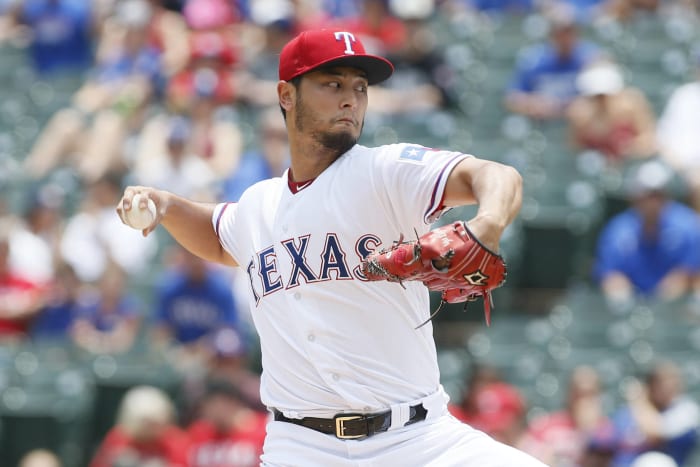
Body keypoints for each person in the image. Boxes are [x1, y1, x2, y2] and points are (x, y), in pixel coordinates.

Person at [117, 28, 546, 465]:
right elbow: (215, 232)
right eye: (333, 84)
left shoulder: (386, 169)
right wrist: (167, 204)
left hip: (419, 442)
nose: (351, 99)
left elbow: (496, 175)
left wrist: (488, 223)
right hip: (302, 447)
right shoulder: (258, 204)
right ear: (287, 94)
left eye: (360, 87)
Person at [594, 160, 700, 304]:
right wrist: (624, 300)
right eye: (648, 195)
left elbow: (690, 273)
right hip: (632, 307)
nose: (653, 202)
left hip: (677, 307)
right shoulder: (618, 230)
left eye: (658, 195)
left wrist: (664, 299)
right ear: (635, 198)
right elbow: (611, 275)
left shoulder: (689, 225)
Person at [505, 5, 599, 120]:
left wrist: (579, 104)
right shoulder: (533, 60)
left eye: (569, 33)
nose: (566, 39)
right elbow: (512, 98)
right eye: (561, 34)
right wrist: (532, 103)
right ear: (552, 35)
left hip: (578, 123)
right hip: (541, 123)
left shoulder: (591, 58)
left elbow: (606, 97)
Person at [606, 361, 699, 466]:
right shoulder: (627, 413)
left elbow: (655, 433)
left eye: (672, 384)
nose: (667, 389)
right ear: (651, 386)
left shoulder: (686, 411)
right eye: (661, 384)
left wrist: (638, 400)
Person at [519, 365, 614, 466]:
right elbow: (523, 455)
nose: (583, 400)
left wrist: (588, 429)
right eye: (579, 393)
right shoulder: (547, 425)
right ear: (569, 393)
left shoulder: (607, 429)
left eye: (590, 394)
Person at [567, 60, 656, 164]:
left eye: (604, 95)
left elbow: (649, 139)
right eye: (597, 96)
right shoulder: (579, 114)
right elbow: (575, 148)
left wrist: (629, 149)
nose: (601, 99)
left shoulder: (632, 105)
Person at [90, 385, 189, 467]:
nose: (148, 429)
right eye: (143, 422)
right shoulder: (118, 438)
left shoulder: (175, 440)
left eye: (152, 423)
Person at [187, 378, 268, 467]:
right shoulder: (199, 432)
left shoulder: (264, 428)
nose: (206, 411)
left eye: (211, 404)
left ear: (230, 401)